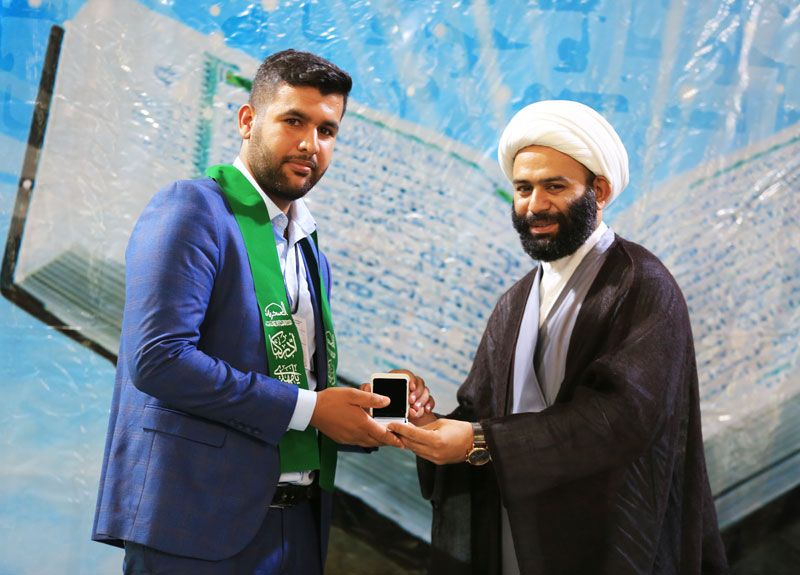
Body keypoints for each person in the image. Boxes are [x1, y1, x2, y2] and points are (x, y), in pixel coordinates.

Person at [91, 49, 413, 574]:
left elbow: (292, 381)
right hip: (195, 529)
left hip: (298, 529)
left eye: (327, 130)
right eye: (293, 121)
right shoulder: (192, 209)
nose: (310, 143)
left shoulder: (310, 251)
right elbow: (158, 359)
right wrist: (311, 409)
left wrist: (375, 406)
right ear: (247, 121)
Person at [389, 100, 729, 574]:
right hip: (517, 541)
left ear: (599, 191)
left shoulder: (641, 284)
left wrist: (480, 441)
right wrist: (424, 420)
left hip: (607, 544)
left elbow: (623, 419)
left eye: (555, 186)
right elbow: (480, 416)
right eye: (523, 188)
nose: (535, 205)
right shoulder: (516, 301)